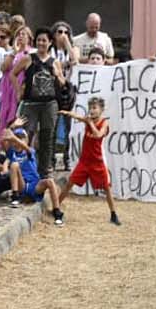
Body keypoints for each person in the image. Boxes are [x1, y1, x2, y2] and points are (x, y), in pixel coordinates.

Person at [50, 97, 121, 226]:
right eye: (90, 108)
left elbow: (99, 135)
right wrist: (67, 113)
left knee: (107, 188)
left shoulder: (104, 123)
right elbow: (77, 116)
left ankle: (113, 214)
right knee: (69, 184)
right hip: (84, 161)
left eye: (94, 108)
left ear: (101, 109)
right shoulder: (88, 120)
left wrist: (90, 123)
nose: (92, 111)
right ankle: (56, 208)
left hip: (97, 162)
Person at [15, 27, 64, 177]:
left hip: (49, 104)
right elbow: (13, 73)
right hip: (30, 103)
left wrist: (57, 75)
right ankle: (25, 166)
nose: (41, 43)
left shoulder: (55, 62)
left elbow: (62, 82)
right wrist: (18, 90)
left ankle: (45, 169)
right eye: (39, 40)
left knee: (47, 136)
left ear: (50, 42)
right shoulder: (28, 58)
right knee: (26, 134)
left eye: (44, 40)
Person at [0, 25, 34, 132]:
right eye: (18, 34)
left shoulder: (33, 52)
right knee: (6, 114)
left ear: (29, 38)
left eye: (23, 34)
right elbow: (3, 68)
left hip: (22, 87)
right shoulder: (11, 53)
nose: (20, 36)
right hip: (9, 89)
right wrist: (15, 51)